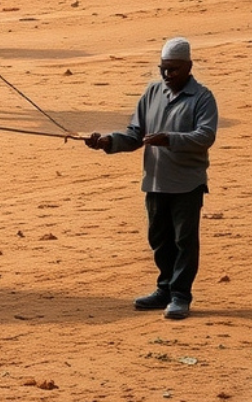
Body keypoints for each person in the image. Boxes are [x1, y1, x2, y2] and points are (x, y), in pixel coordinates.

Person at [84, 37, 218, 320]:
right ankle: (164, 289)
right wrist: (107, 141)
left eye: (174, 70)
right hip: (156, 181)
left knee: (184, 241)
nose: (167, 75)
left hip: (187, 184)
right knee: (159, 238)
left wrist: (168, 139)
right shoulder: (152, 93)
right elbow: (134, 134)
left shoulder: (203, 98)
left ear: (189, 67)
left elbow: (205, 136)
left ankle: (180, 295)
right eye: (163, 69)